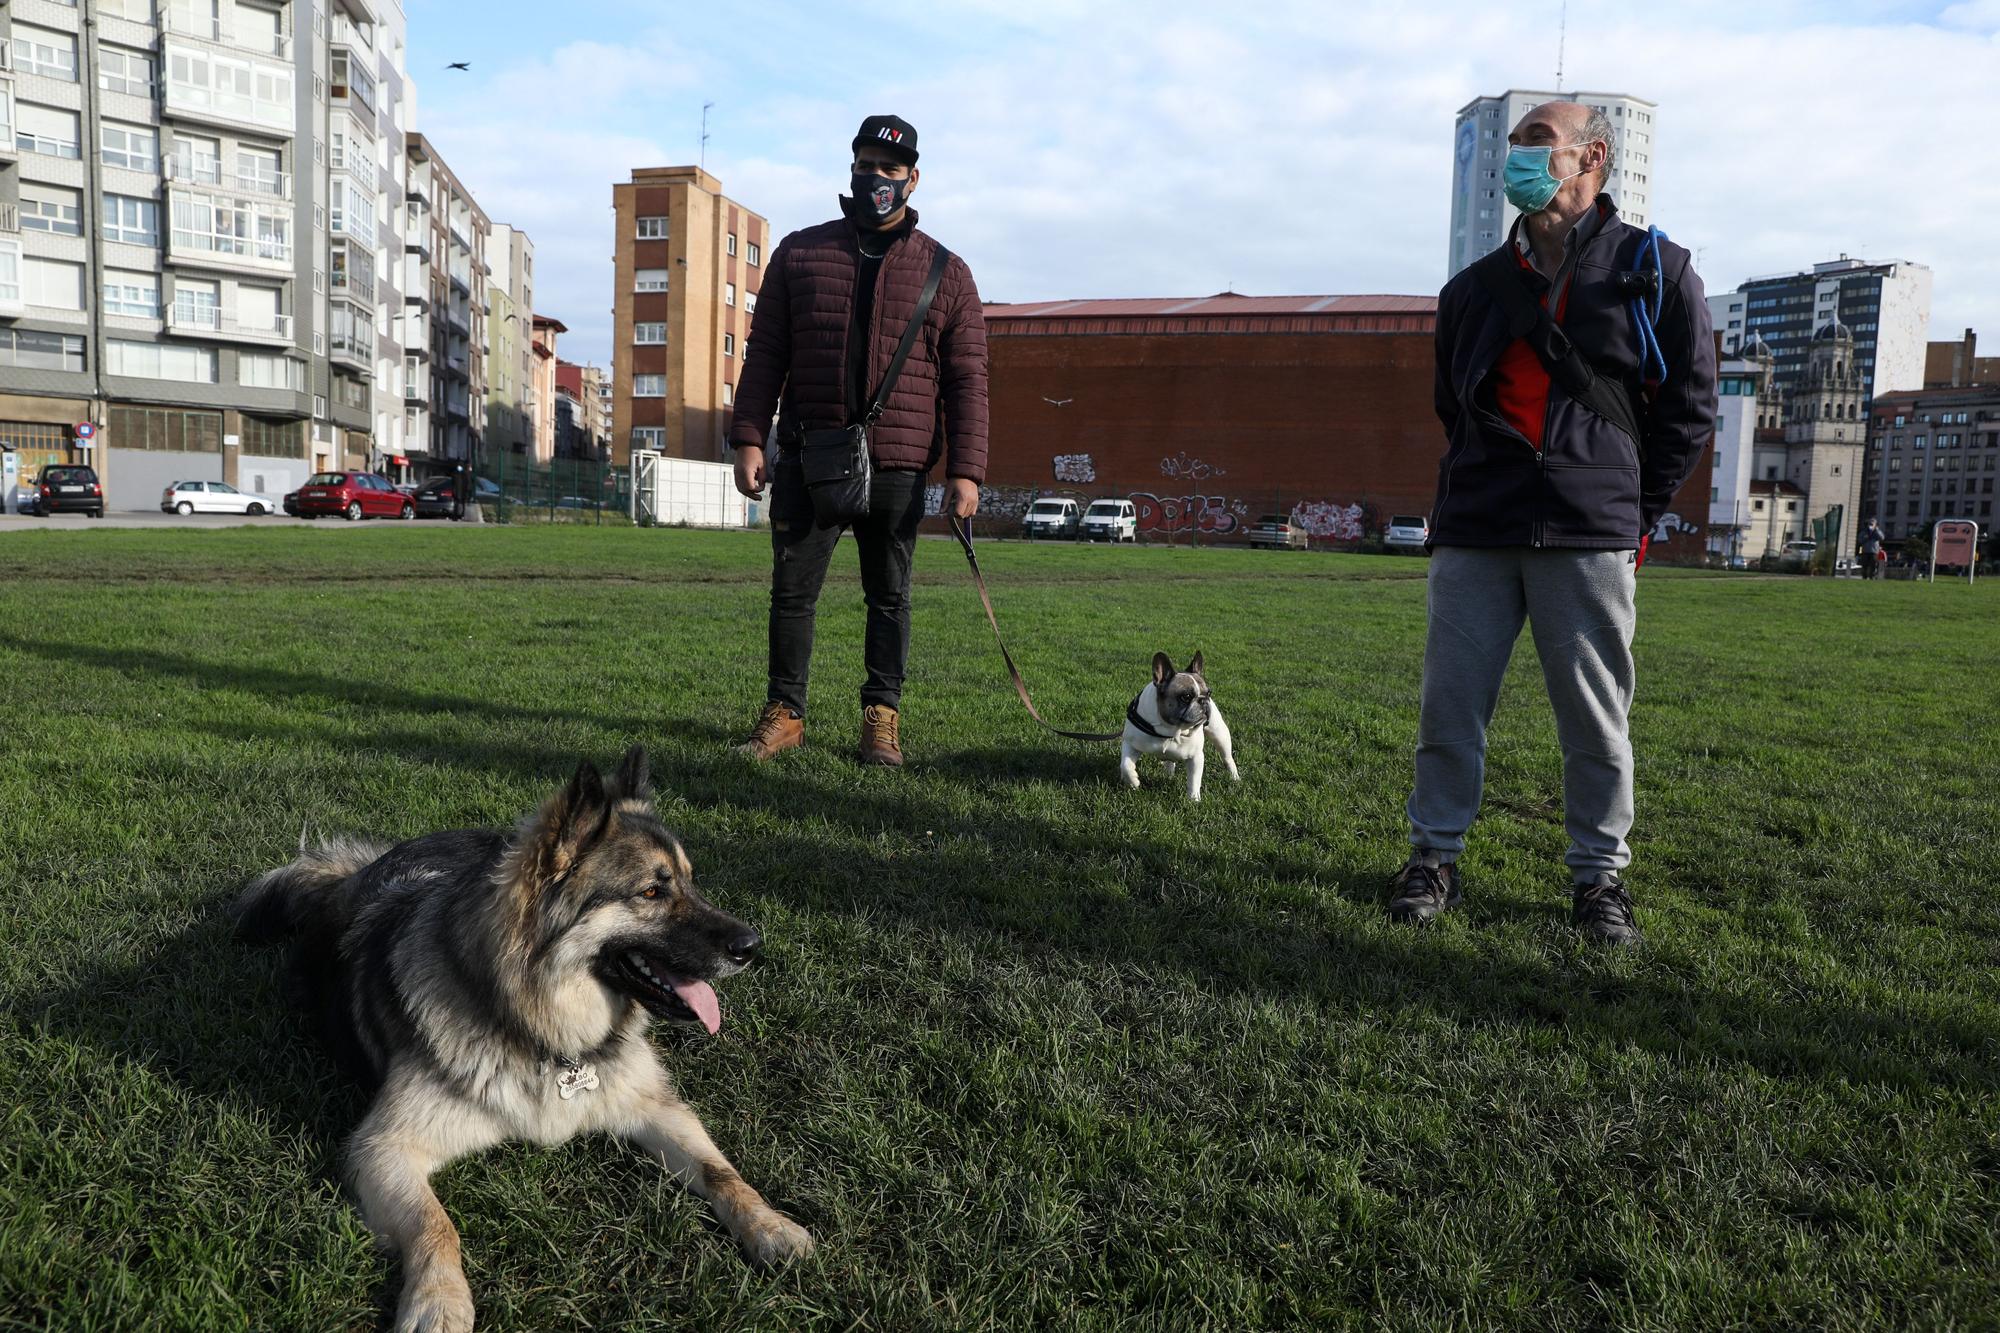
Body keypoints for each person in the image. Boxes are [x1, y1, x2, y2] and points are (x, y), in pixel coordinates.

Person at [1387, 100, 1717, 945]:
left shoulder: (1657, 271)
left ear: (1591, 156)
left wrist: (1630, 512)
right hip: (1479, 528)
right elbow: (1449, 406)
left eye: (1537, 143)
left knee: (1596, 720)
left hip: (1589, 532)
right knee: (1448, 709)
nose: (1518, 162)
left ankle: (1599, 878)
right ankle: (1433, 857)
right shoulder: (1470, 292)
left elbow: (1689, 409)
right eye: (1515, 147)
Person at [727, 115, 989, 767]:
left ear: (913, 179)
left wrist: (968, 470)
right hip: (811, 455)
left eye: (891, 169)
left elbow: (967, 378)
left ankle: (882, 718)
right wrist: (750, 437)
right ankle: (785, 714)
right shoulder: (800, 252)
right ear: (851, 168)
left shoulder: (947, 272)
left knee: (890, 596)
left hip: (900, 462)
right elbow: (766, 354)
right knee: (792, 593)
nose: (878, 178)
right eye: (868, 164)